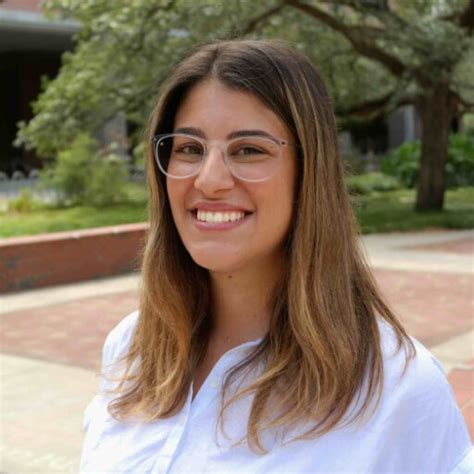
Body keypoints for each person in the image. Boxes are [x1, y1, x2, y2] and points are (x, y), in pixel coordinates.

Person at [80, 39, 472, 473]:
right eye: (189, 148)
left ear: (310, 172)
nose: (209, 180)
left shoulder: (398, 389)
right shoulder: (129, 349)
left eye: (249, 150)